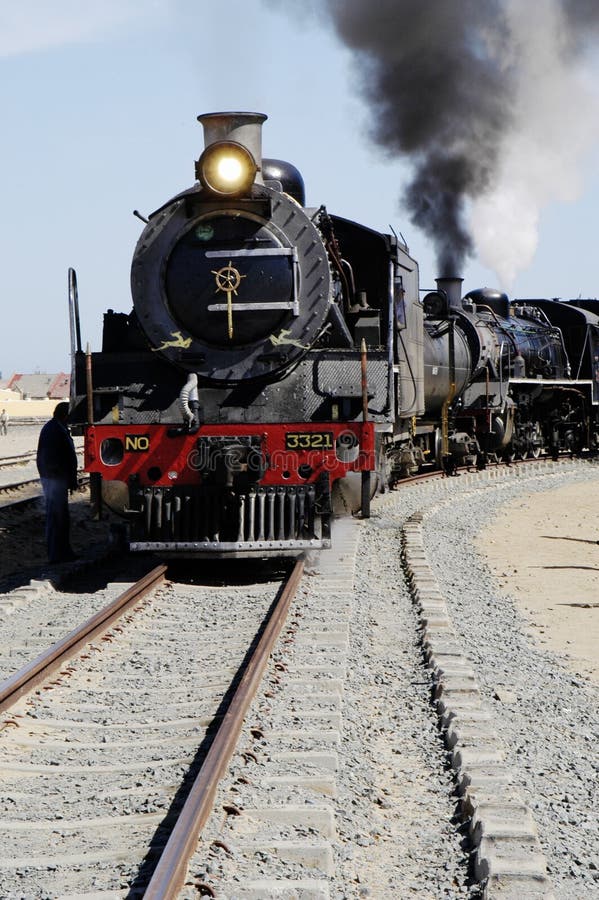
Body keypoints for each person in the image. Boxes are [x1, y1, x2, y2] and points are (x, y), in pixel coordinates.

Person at [36, 402, 79, 563]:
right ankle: (56, 555)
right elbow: (64, 457)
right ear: (65, 415)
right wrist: (65, 479)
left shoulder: (54, 427)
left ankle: (63, 553)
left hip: (55, 478)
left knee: (60, 517)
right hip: (55, 479)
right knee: (56, 517)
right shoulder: (55, 430)